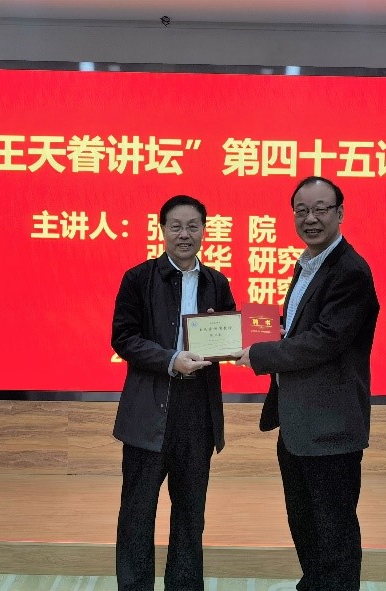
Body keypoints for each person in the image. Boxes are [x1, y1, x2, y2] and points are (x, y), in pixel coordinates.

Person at [235, 176, 379, 591]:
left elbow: (325, 341)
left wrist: (260, 354)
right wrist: (239, 330)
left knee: (334, 534)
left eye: (320, 209)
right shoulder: (308, 265)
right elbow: (298, 330)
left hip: (331, 429)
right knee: (306, 528)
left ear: (340, 212)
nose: (310, 219)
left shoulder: (350, 271)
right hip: (300, 426)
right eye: (301, 211)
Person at [111, 194, 236, 591]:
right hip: (149, 410)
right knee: (137, 514)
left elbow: (231, 339)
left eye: (193, 226)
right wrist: (170, 359)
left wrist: (237, 339)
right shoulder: (138, 278)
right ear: (162, 229)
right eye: (176, 226)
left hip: (197, 413)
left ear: (204, 230)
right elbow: (123, 338)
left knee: (190, 516)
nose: (185, 234)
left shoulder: (217, 283)